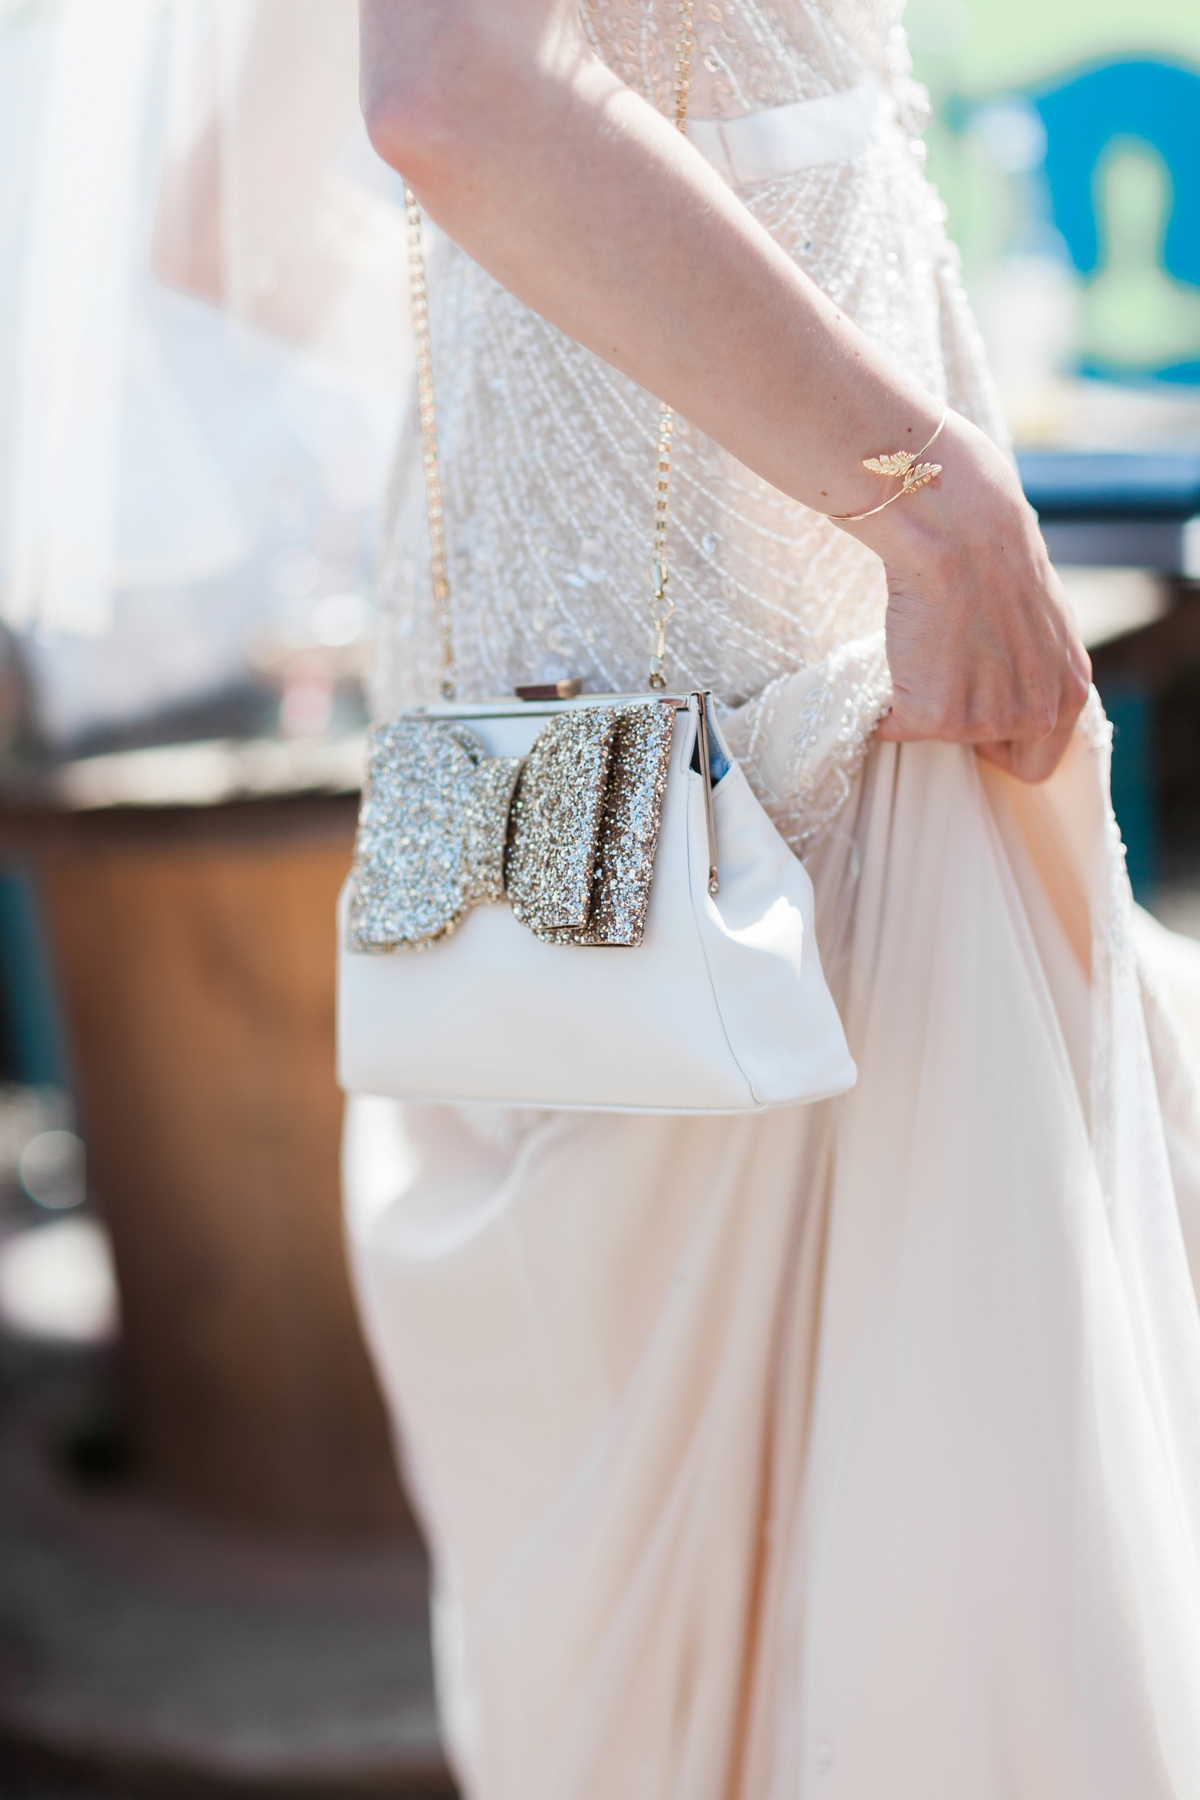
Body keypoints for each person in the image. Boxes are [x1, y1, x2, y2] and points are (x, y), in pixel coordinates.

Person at [342, 2, 1200, 1795]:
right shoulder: (897, 514)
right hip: (771, 571)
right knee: (913, 1407)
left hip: (755, 485)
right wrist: (933, 501)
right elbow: (455, 91)